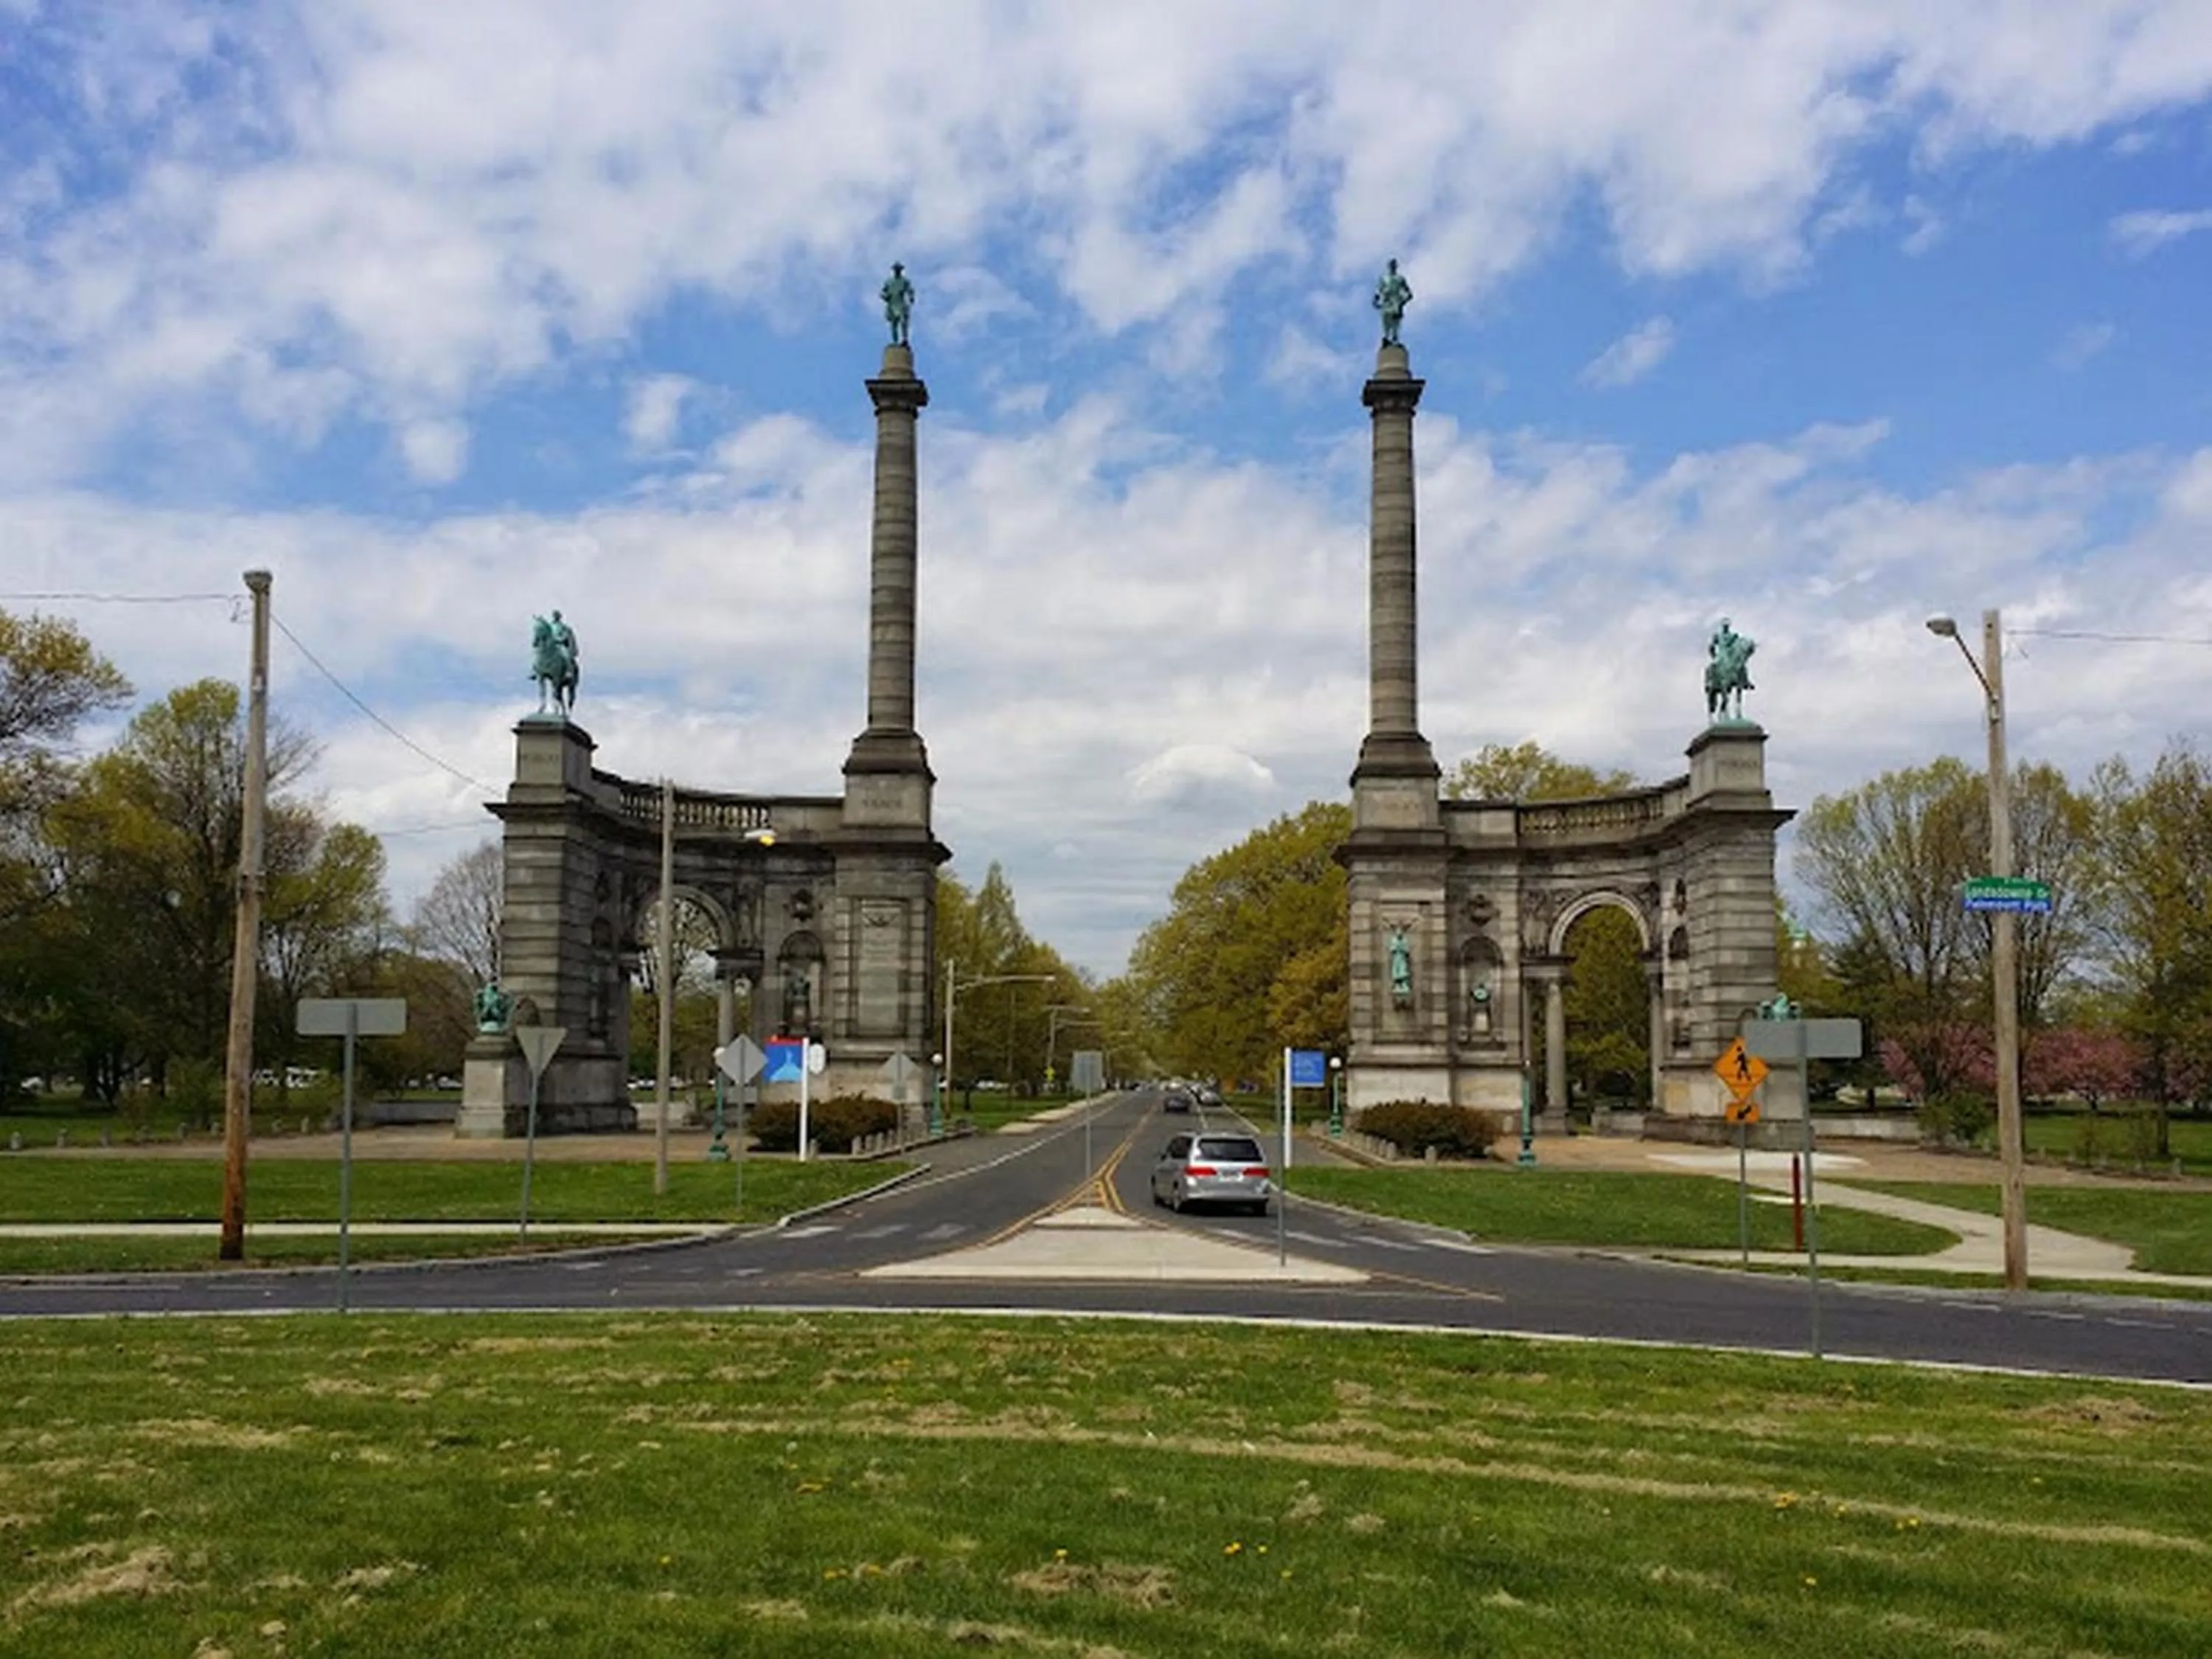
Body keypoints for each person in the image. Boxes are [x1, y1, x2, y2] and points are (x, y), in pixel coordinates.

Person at [1374, 258, 1412, 347]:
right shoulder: (1384, 278)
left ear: (1396, 267)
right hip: (1386, 302)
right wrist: (1376, 300)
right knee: (1386, 320)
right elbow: (1379, 290)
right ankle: (1386, 337)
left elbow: (1409, 293)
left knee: (1395, 322)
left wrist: (1402, 302)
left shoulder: (1400, 279)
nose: (1392, 267)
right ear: (1388, 267)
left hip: (1396, 302)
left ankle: (1395, 338)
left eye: (1394, 265)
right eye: (1391, 265)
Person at [881, 262, 915, 347]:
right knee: (893, 324)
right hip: (892, 304)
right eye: (896, 269)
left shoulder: (904, 281)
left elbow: (910, 290)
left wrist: (911, 297)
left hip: (901, 303)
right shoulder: (889, 281)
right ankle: (895, 341)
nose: (897, 271)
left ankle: (905, 339)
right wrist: (885, 296)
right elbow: (883, 292)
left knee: (903, 321)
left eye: (899, 269)